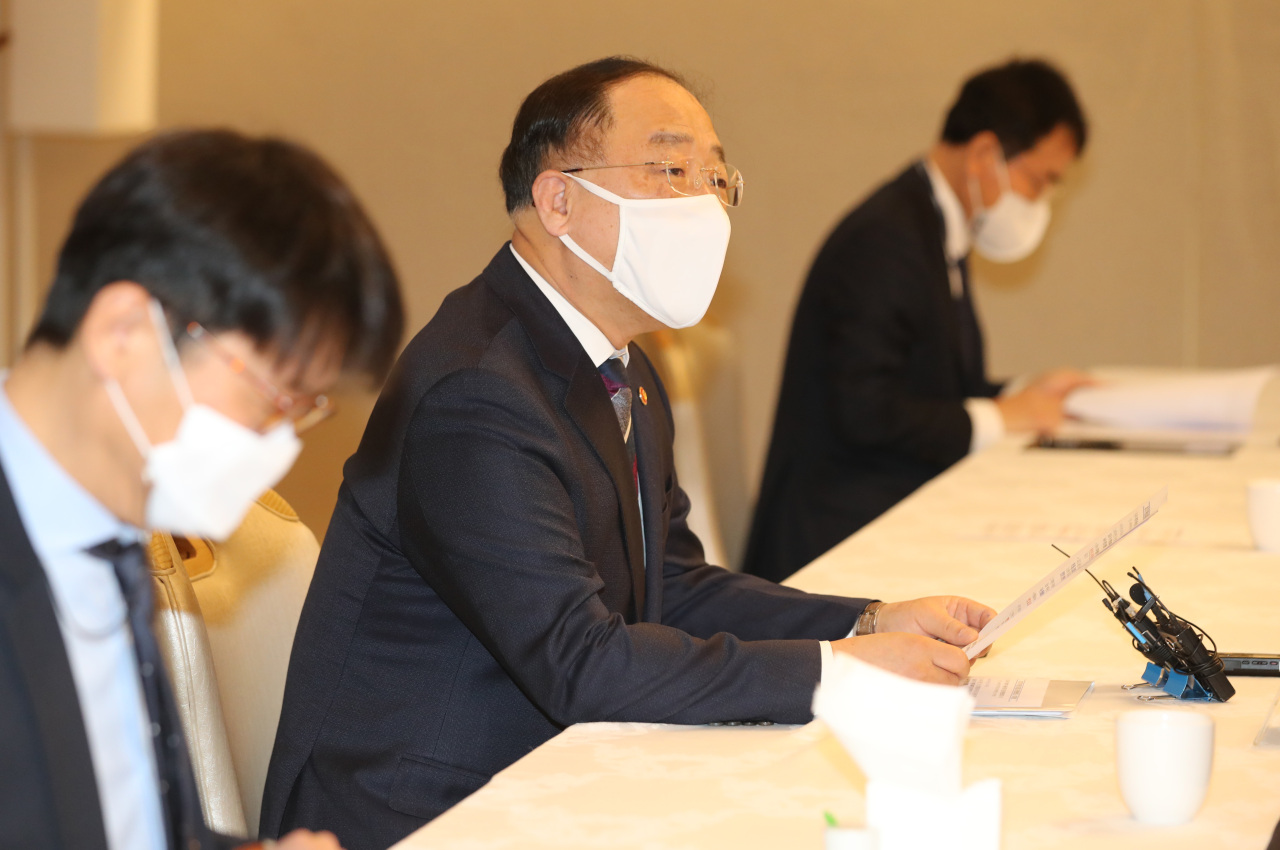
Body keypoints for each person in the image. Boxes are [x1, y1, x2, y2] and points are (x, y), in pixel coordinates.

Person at [261, 57, 995, 850]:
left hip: (553, 768)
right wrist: (841, 673)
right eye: (671, 169)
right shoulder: (477, 389)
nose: (705, 203)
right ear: (559, 200)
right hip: (424, 809)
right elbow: (581, 661)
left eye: (716, 177)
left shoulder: (622, 365)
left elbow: (667, 587)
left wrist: (868, 622)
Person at [0, 129, 404, 850]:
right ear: (124, 332)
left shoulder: (112, 536)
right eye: (271, 399)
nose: (276, 447)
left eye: (301, 412)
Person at [744, 58, 1092, 584]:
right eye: (1039, 181)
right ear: (984, 154)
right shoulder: (886, 239)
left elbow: (943, 386)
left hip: (879, 513)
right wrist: (1003, 416)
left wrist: (1025, 393)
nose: (1040, 202)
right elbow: (865, 412)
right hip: (832, 543)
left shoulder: (931, 226)